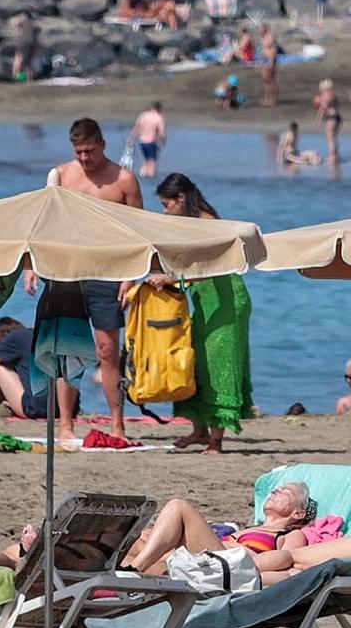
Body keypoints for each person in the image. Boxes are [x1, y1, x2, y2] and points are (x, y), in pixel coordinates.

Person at [29, 119, 142, 438]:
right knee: (66, 350)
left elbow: (138, 233)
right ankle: (66, 425)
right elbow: (42, 222)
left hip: (109, 271)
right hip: (66, 272)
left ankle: (117, 424)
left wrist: (130, 277)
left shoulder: (124, 180)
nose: (84, 158)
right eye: (78, 152)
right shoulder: (61, 175)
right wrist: (30, 266)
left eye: (89, 151)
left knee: (108, 351)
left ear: (103, 144)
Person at [139, 174, 253, 453]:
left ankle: (216, 440)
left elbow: (209, 268)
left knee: (219, 365)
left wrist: (172, 281)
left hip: (226, 302)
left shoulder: (208, 222)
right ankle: (199, 431)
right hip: (205, 300)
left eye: (167, 205)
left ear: (181, 199)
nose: (165, 211)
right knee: (197, 362)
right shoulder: (191, 223)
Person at [122, 483, 317, 582]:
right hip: (205, 558)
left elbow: (290, 563)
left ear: (298, 512)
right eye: (275, 490)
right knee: (139, 537)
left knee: (178, 507)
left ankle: (133, 572)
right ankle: (113, 578)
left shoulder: (290, 535)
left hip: (228, 564)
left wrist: (250, 561)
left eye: (285, 492)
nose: (275, 491)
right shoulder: (248, 529)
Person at [130, 101, 167, 178]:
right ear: (159, 108)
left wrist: (131, 139)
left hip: (142, 142)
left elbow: (136, 128)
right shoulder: (158, 117)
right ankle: (151, 176)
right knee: (152, 162)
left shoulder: (143, 116)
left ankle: (142, 174)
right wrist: (162, 143)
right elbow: (162, 132)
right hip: (151, 142)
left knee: (146, 160)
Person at [313, 79, 342, 165]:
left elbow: (324, 106)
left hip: (332, 117)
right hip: (337, 117)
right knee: (334, 137)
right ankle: (335, 156)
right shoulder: (333, 93)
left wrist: (319, 117)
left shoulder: (326, 94)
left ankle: (332, 158)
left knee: (330, 138)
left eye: (320, 86)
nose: (319, 88)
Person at [258, 25, 280, 107]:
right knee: (266, 81)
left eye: (261, 29)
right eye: (259, 30)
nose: (260, 31)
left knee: (271, 81)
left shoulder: (270, 37)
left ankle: (273, 99)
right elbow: (263, 51)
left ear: (265, 29)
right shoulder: (263, 38)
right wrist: (259, 63)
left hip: (270, 60)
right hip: (265, 60)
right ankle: (267, 98)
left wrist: (271, 62)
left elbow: (274, 50)